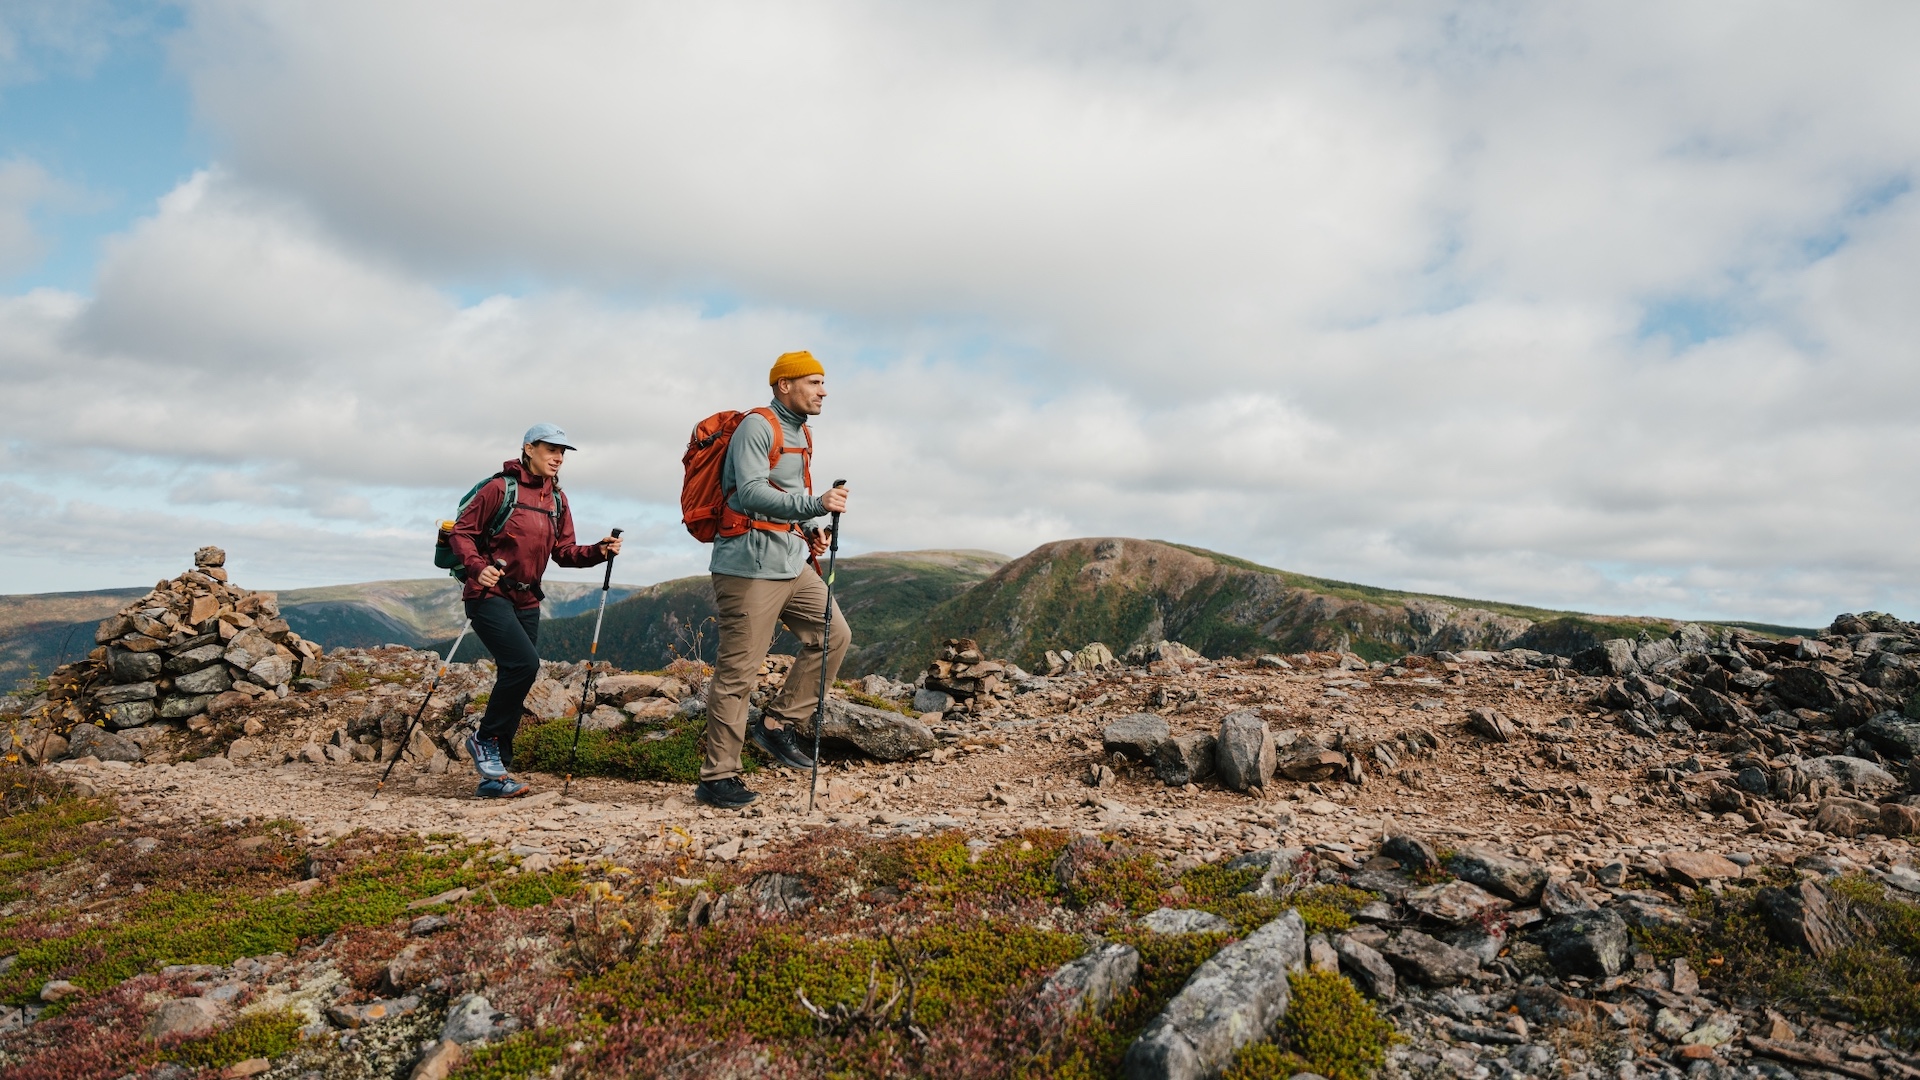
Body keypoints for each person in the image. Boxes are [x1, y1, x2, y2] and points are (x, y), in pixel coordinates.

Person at [697, 351, 852, 809]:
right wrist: (815, 505)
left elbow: (786, 493)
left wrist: (809, 530)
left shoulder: (801, 432)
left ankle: (777, 725)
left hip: (789, 562)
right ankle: (717, 777)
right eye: (814, 382)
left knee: (834, 634)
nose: (823, 391)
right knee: (737, 673)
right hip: (747, 568)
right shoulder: (757, 426)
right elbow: (749, 493)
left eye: (823, 383)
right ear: (784, 384)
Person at [449, 423, 622, 798]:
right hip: (488, 595)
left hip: (528, 599)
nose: (558, 457)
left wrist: (598, 551)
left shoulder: (557, 500)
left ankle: (495, 777)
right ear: (529, 448)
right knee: (524, 665)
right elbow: (460, 534)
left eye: (563, 452)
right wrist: (479, 569)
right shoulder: (499, 489)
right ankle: (484, 740)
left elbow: (564, 552)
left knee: (520, 675)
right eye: (551, 449)